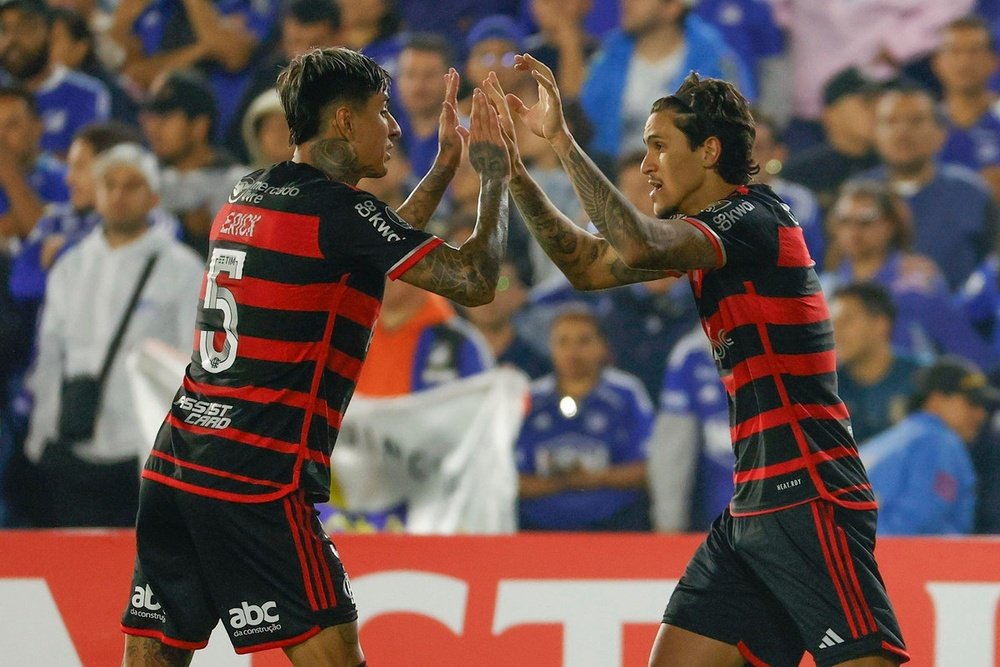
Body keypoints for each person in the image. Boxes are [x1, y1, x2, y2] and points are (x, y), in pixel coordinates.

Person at [483, 54, 908, 664]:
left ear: (709, 151)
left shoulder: (753, 217)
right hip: (752, 507)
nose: (647, 165)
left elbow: (630, 241)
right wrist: (520, 173)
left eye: (658, 147)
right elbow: (587, 266)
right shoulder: (708, 234)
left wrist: (564, 143)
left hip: (810, 488)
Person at [120, 47, 512, 666]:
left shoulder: (252, 191)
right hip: (258, 479)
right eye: (382, 112)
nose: (393, 127)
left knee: (157, 650)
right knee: (334, 653)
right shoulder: (338, 213)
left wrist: (440, 171)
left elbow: (361, 249)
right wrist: (493, 176)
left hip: (176, 463)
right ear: (345, 122)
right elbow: (477, 282)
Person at [23, 143, 203, 527]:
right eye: (110, 184)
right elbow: (51, 354)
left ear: (153, 197)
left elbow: (192, 362)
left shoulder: (182, 269)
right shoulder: (71, 267)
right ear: (96, 191)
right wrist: (42, 434)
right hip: (76, 442)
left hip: (148, 450)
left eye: (131, 185)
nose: (119, 195)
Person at [822, 180, 996, 370]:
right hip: (847, 393)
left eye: (865, 221)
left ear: (890, 225)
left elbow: (963, 347)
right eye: (844, 221)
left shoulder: (917, 282)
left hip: (912, 390)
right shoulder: (825, 288)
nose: (853, 232)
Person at [515, 305, 652, 531]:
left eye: (584, 341)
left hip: (615, 527)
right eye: (563, 342)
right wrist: (565, 481)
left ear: (603, 346)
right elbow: (506, 478)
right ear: (550, 347)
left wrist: (593, 479)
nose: (573, 352)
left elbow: (648, 468)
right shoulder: (528, 399)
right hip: (537, 531)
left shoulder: (627, 394)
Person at [856, 81, 997, 290]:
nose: (902, 131)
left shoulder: (972, 194)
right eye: (890, 121)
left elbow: (994, 267)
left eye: (916, 121)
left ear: (942, 133)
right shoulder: (857, 196)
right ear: (875, 134)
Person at [579, 0, 752, 169]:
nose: (626, 3)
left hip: (688, 173)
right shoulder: (609, 54)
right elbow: (584, 118)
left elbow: (733, 128)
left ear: (673, 7)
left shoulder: (714, 62)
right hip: (611, 171)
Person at [860, 356, 994, 535]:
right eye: (971, 403)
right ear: (937, 400)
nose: (980, 414)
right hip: (891, 557)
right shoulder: (938, 441)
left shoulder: (890, 440)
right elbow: (921, 526)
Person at [140, 69, 248, 256]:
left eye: (165, 117)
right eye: (152, 116)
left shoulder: (239, 184)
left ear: (199, 126)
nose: (153, 128)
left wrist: (202, 235)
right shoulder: (142, 173)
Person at [647, 324, 732, 533]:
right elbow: (673, 452)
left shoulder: (799, 341)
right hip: (723, 523)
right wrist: (669, 523)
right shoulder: (693, 356)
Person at [0, 0, 111, 156]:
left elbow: (85, 164)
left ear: (52, 33)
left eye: (25, 29)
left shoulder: (86, 93)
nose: (12, 40)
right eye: (5, 30)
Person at [829, 283, 923, 445]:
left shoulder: (921, 379)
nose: (835, 332)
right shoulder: (828, 389)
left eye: (846, 321)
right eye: (832, 323)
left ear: (880, 324)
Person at [781, 67, 881, 215]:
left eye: (880, 101)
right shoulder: (800, 175)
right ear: (831, 114)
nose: (878, 110)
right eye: (866, 102)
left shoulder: (895, 164)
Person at [932, 15, 1000, 200]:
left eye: (974, 51)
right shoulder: (920, 124)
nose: (964, 62)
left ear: (994, 62)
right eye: (954, 51)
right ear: (937, 63)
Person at [0, 86, 69, 242]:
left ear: (38, 127)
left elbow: (43, 235)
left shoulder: (64, 178)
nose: (1, 137)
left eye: (11, 125)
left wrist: (8, 172)